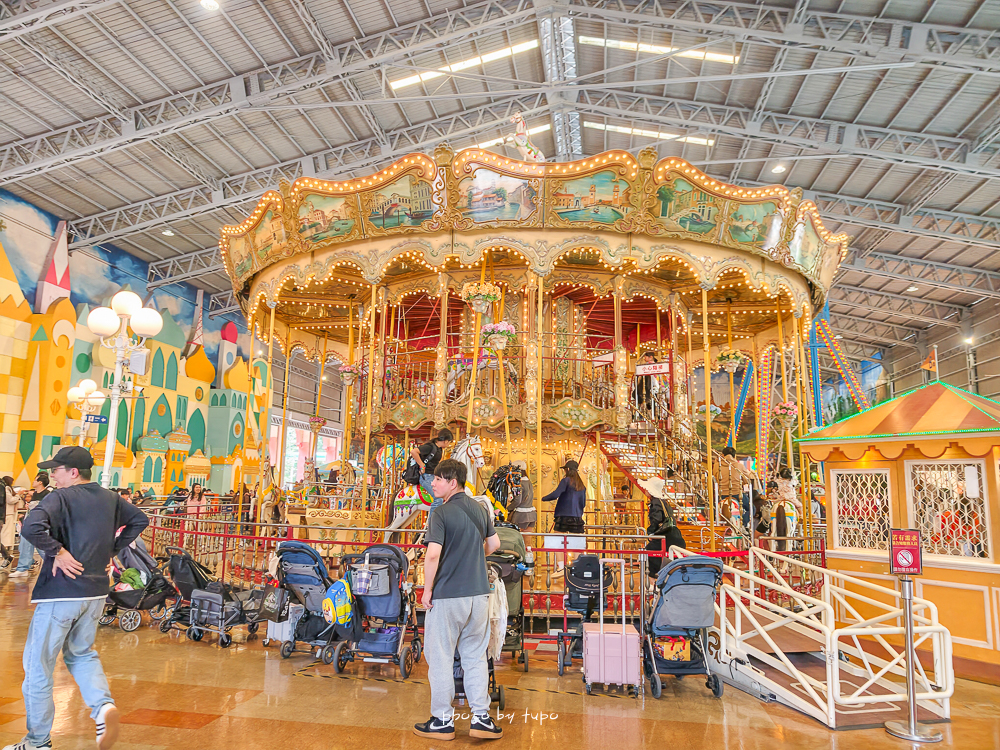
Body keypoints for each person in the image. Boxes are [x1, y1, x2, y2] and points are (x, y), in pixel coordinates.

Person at [8, 445, 148, 750]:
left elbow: (30, 527)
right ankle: (103, 707)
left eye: (56, 470)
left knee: (38, 665)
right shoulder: (111, 498)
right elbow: (140, 520)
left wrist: (57, 551)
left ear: (73, 472)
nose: (52, 476)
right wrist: (110, 549)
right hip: (95, 593)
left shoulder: (60, 497)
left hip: (61, 594)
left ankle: (37, 741)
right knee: (81, 653)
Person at [414, 458, 502, 741]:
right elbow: (494, 544)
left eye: (438, 479)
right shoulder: (480, 508)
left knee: (440, 657)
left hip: (448, 595)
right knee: (475, 657)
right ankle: (481, 719)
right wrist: (472, 558)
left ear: (452, 482)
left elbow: (432, 555)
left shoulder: (440, 512)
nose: (433, 483)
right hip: (478, 595)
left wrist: (427, 590)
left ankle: (442, 721)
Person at [640, 475, 687, 587]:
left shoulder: (655, 503)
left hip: (667, 535)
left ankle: (652, 581)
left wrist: (651, 533)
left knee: (649, 552)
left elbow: (656, 519)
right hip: (674, 534)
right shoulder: (663, 502)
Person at [406, 428, 454, 522]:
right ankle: (431, 523)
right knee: (438, 498)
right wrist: (422, 465)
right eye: (449, 442)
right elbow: (414, 452)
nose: (448, 444)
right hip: (426, 476)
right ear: (445, 441)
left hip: (434, 476)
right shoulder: (430, 446)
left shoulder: (439, 449)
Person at [10, 474, 50, 579]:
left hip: (40, 524)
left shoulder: (47, 494)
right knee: (25, 545)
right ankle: (22, 568)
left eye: (35, 480)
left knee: (42, 548)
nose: (33, 482)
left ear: (40, 482)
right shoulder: (35, 494)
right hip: (30, 523)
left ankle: (55, 564)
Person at [542, 460, 587, 537]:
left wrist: (544, 498)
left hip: (564, 515)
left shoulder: (566, 481)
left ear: (568, 469)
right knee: (575, 540)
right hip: (576, 516)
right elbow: (583, 503)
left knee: (559, 538)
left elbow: (556, 494)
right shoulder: (581, 485)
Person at [715, 447, 755, 529]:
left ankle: (716, 525)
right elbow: (747, 480)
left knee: (713, 509)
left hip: (722, 495)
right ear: (734, 456)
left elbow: (715, 478)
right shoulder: (739, 466)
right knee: (752, 509)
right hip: (737, 494)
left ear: (723, 455)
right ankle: (743, 524)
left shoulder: (716, 465)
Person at [508, 459, 535, 532]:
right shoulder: (529, 482)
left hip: (521, 515)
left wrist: (508, 509)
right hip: (531, 514)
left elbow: (518, 500)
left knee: (516, 536)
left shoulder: (519, 483)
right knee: (527, 537)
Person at [633, 351, 659, 417]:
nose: (644, 358)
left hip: (650, 384)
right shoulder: (650, 365)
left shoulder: (650, 366)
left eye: (645, 356)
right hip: (649, 384)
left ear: (651, 357)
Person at [2, 476, 17, 567]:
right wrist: (18, 496)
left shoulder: (5, 488)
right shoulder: (7, 488)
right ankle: (6, 553)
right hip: (7, 514)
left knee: (5, 533)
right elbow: (10, 500)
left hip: (6, 514)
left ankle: (6, 554)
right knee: (6, 533)